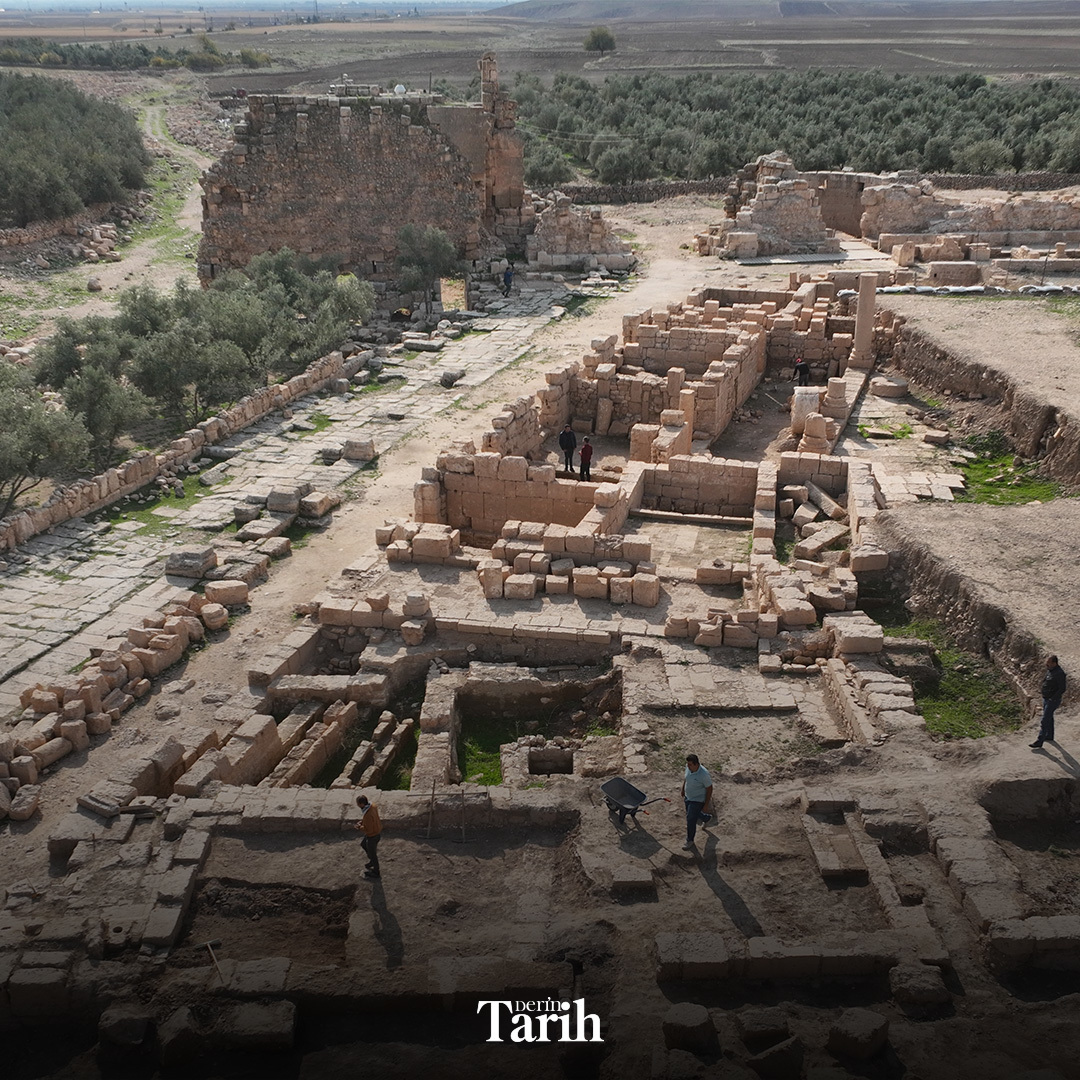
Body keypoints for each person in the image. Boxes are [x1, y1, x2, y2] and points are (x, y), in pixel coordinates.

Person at [1030, 654, 1066, 749]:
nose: (1046, 664)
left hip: (1052, 700)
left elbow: (1062, 688)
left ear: (1054, 663)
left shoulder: (1059, 673)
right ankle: (1049, 736)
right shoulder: (1051, 670)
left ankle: (1039, 741)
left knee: (1045, 720)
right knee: (1049, 717)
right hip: (1046, 698)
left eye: (1048, 662)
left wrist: (1053, 698)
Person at [680, 753, 713, 851]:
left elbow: (709, 788)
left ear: (696, 764)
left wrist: (706, 805)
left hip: (697, 799)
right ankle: (706, 818)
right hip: (688, 797)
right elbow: (686, 778)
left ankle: (690, 840)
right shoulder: (689, 768)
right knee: (693, 814)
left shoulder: (704, 775)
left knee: (690, 819)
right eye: (687, 764)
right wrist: (683, 789)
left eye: (690, 764)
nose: (688, 766)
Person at [355, 794, 383, 878]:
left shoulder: (368, 815)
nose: (357, 805)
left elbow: (369, 829)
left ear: (362, 804)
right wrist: (362, 822)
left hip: (373, 835)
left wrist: (359, 827)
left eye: (358, 804)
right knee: (363, 844)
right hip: (376, 831)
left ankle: (376, 872)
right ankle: (371, 861)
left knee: (373, 854)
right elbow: (369, 821)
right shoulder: (372, 806)